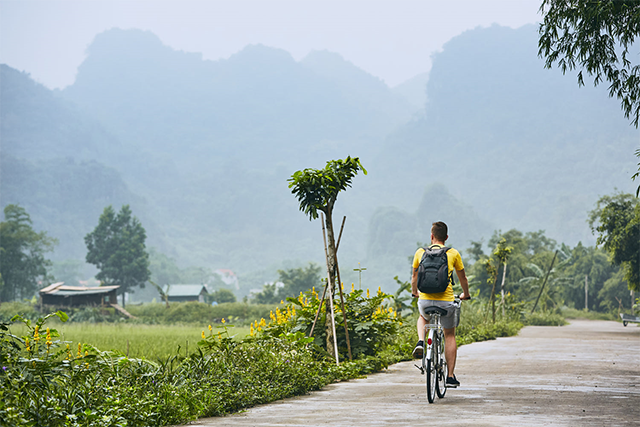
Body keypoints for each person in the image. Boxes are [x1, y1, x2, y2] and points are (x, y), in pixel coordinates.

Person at [411, 221, 470, 388]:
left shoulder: (420, 252)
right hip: (446, 303)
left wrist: (415, 292)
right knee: (449, 334)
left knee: (423, 316)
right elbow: (463, 279)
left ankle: (421, 341)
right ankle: (450, 376)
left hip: (425, 301)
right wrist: (465, 294)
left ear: (431, 236)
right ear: (446, 237)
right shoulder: (453, 253)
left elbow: (414, 278)